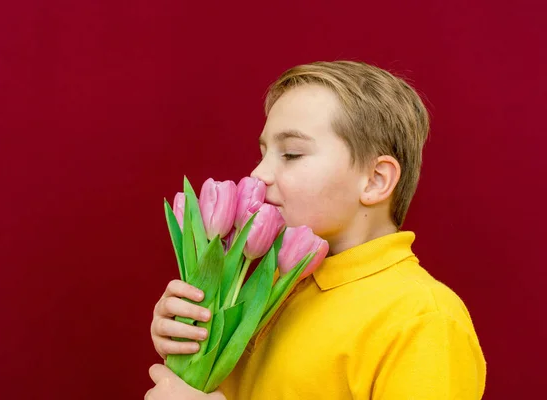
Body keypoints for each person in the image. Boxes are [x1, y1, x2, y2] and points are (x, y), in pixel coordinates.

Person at [145, 61, 486, 399]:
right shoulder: (272, 284)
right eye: (263, 153)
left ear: (375, 180)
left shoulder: (423, 321)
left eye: (291, 154)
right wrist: (188, 347)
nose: (258, 173)